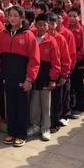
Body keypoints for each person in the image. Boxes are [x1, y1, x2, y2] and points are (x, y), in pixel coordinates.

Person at [0, 6, 40, 147]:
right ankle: (11, 132)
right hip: (7, 77)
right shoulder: (2, 34)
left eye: (16, 15)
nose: (12, 18)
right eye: (10, 15)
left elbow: (34, 60)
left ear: (22, 18)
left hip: (22, 79)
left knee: (21, 107)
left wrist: (29, 79)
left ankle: (21, 134)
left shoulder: (28, 36)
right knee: (10, 106)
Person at [29, 13, 60, 141]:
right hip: (34, 75)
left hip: (46, 76)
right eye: (39, 25)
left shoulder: (52, 41)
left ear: (48, 26)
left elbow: (56, 63)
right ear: (36, 25)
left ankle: (45, 127)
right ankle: (35, 125)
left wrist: (53, 79)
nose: (41, 27)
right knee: (34, 102)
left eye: (44, 25)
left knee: (46, 103)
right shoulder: (31, 38)